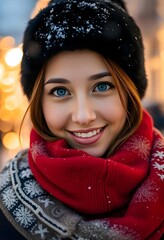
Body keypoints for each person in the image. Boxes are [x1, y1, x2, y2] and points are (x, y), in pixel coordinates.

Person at [0, 0, 163, 239]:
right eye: (60, 91)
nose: (84, 116)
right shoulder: (6, 212)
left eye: (102, 86)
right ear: (39, 103)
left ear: (129, 93)